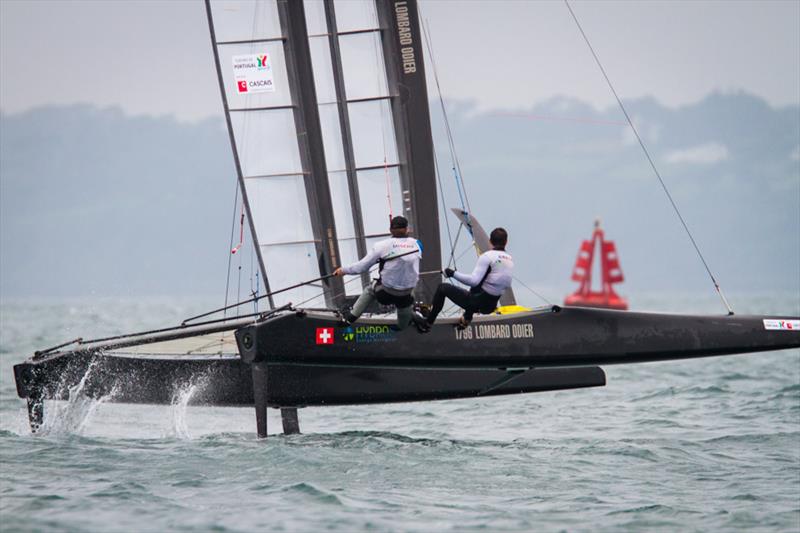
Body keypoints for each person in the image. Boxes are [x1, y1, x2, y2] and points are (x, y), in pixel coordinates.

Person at [334, 216, 422, 330]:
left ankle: (350, 318)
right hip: (405, 295)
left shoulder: (381, 246)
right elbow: (404, 257)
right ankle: (403, 325)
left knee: (370, 290)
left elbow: (361, 267)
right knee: (407, 300)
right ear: (407, 229)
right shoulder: (418, 244)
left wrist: (343, 270)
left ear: (390, 230)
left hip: (385, 294)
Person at [424, 227, 514, 329]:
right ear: (506, 242)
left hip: (476, 303)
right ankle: (467, 318)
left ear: (490, 241)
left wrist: (452, 273)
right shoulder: (510, 260)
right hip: (490, 307)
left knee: (442, 288)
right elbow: (505, 285)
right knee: (484, 281)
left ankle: (427, 323)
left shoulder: (487, 256)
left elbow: (473, 281)